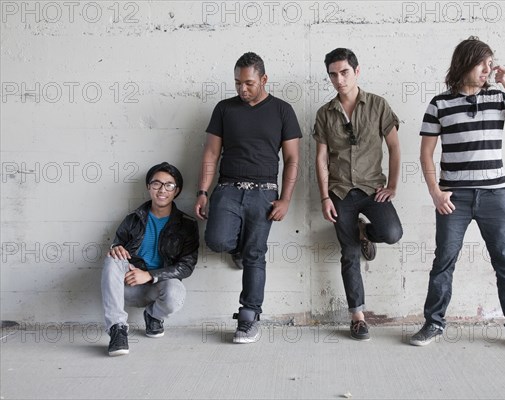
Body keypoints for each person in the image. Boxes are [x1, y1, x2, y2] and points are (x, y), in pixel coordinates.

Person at [410, 36, 505, 353]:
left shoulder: (499, 98)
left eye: (490, 62)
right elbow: (425, 154)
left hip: (495, 195)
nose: (488, 68)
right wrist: (435, 192)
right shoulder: (439, 104)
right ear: (465, 63)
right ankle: (433, 323)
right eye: (482, 62)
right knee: (443, 261)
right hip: (453, 198)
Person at [194, 52, 302, 344]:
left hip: (264, 193)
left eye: (249, 83)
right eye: (238, 83)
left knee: (256, 254)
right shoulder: (224, 109)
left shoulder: (282, 110)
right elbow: (211, 153)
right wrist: (203, 191)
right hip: (227, 189)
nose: (242, 89)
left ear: (264, 79)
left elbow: (292, 159)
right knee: (217, 240)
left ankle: (249, 316)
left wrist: (286, 199)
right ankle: (239, 247)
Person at [313, 48, 403, 341]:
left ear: (357, 71)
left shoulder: (378, 105)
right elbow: (321, 158)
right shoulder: (325, 113)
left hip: (372, 188)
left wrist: (393, 186)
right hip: (340, 191)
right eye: (333, 74)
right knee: (349, 254)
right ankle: (358, 317)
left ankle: (367, 232)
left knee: (392, 232)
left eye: (344, 72)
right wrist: (325, 196)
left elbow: (394, 147)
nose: (339, 80)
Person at [101, 162, 199, 356]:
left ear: (176, 190)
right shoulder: (133, 219)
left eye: (169, 185)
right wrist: (116, 248)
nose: (162, 190)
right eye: (156, 184)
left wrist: (149, 275)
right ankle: (117, 329)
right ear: (148, 187)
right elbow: (117, 245)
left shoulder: (187, 225)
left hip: (159, 287)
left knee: (174, 294)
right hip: (129, 288)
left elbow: (186, 266)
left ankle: (153, 316)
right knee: (112, 259)